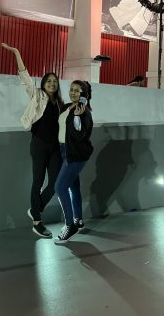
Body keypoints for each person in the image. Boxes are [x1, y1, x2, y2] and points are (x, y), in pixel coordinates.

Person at [1, 43, 63, 238]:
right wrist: (17, 53)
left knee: (56, 183)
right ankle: (37, 222)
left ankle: (36, 209)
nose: (52, 83)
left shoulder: (60, 104)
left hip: (55, 147)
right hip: (39, 144)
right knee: (37, 182)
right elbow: (24, 77)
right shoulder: (37, 96)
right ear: (43, 83)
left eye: (55, 81)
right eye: (49, 81)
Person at [54, 80, 94, 244]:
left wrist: (78, 116)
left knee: (60, 187)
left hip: (76, 154)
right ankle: (78, 219)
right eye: (71, 90)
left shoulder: (84, 112)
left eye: (77, 91)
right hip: (64, 151)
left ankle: (70, 226)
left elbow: (80, 135)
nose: (73, 93)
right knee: (72, 187)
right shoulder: (66, 107)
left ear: (84, 94)